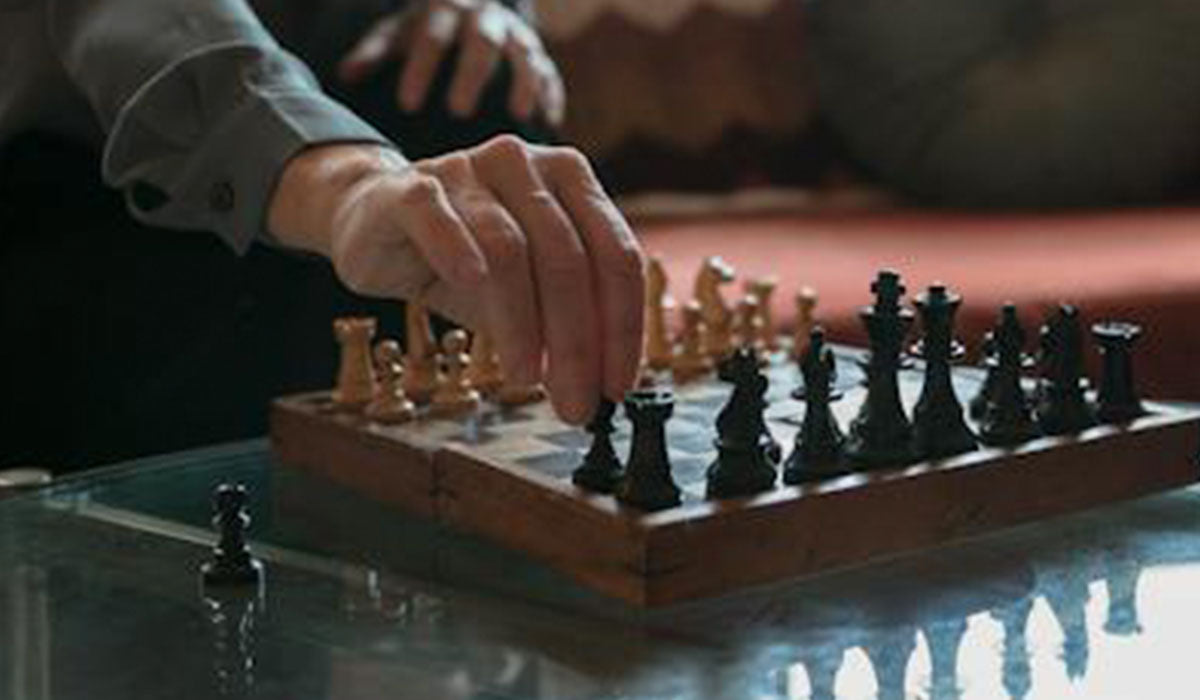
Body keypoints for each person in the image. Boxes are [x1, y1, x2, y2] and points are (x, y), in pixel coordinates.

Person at [0, 0, 645, 468]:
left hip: (328, 145)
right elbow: (157, 27)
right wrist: (350, 184)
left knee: (477, 83)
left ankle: (441, 490)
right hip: (78, 199)